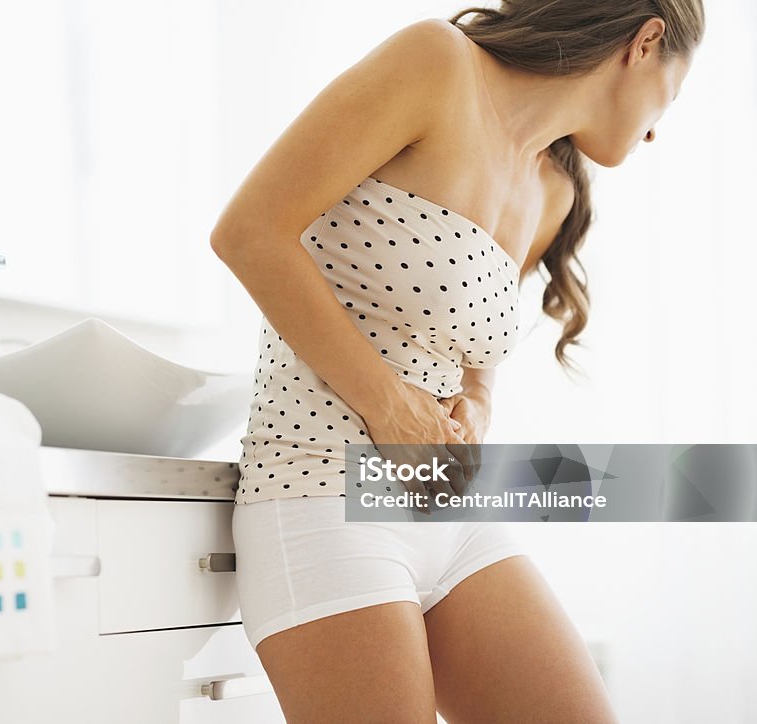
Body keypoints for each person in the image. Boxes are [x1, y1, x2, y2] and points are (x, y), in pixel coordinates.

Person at [210, 1, 704, 721]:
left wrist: (477, 403)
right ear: (645, 42)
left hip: (447, 511)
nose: (659, 128)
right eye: (674, 92)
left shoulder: (553, 190)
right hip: (320, 492)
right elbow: (250, 233)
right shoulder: (436, 64)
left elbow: (474, 342)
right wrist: (385, 400)